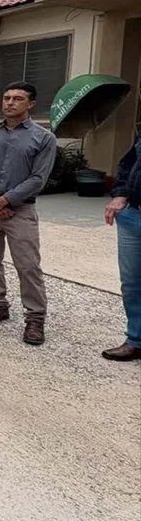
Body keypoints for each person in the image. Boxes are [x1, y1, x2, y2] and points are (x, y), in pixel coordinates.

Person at [0, 81, 57, 346]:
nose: (9, 103)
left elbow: (38, 178)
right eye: (6, 98)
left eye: (17, 99)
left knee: (28, 265)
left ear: (30, 104)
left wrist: (5, 201)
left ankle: (35, 317)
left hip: (21, 211)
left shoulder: (43, 138)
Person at [101, 133, 141, 361]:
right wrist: (120, 195)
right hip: (133, 216)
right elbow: (127, 165)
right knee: (132, 284)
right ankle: (136, 341)